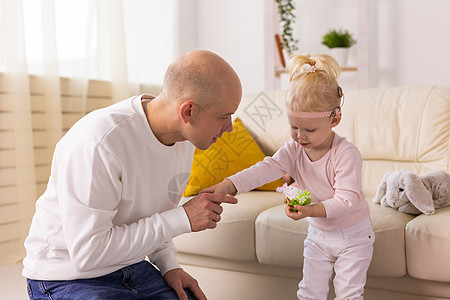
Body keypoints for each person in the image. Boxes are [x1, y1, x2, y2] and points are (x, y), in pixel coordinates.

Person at [23, 49, 242, 300]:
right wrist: (183, 218)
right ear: (188, 111)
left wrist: (169, 265)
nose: (230, 127)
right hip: (65, 276)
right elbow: (88, 255)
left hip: (130, 266)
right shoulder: (99, 144)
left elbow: (152, 213)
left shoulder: (183, 138)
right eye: (224, 116)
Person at [204, 54, 374, 299]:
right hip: (318, 234)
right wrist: (229, 184)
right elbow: (265, 169)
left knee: (349, 294)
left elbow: (346, 201)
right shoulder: (293, 150)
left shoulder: (346, 154)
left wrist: (309, 211)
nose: (300, 136)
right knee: (309, 292)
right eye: (294, 127)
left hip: (354, 236)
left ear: (334, 119)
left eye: (310, 130)